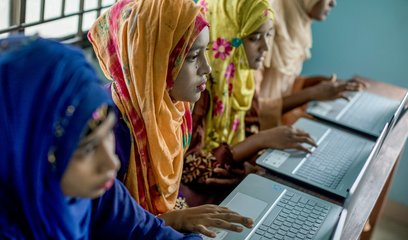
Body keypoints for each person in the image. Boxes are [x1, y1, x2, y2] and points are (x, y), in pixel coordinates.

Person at [0, 36, 201, 239]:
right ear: (28, 151)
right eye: (88, 149)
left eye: (108, 134)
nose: (111, 163)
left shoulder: (97, 193)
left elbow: (151, 233)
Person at [88, 0, 253, 238]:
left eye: (205, 52)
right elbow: (102, 228)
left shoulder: (174, 109)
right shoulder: (106, 131)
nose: (207, 68)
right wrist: (171, 220)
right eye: (193, 56)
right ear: (154, 61)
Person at [181, 0, 317, 206]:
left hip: (232, 185)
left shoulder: (243, 77)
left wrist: (251, 162)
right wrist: (260, 141)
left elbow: (250, 128)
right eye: (254, 38)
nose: (266, 47)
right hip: (202, 200)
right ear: (229, 37)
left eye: (269, 34)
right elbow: (191, 169)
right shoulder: (201, 86)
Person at [255, 0, 367, 129]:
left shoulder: (297, 25)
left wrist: (319, 83)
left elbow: (282, 86)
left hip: (278, 126)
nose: (333, 3)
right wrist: (311, 93)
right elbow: (250, 110)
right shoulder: (264, 30)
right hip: (256, 132)